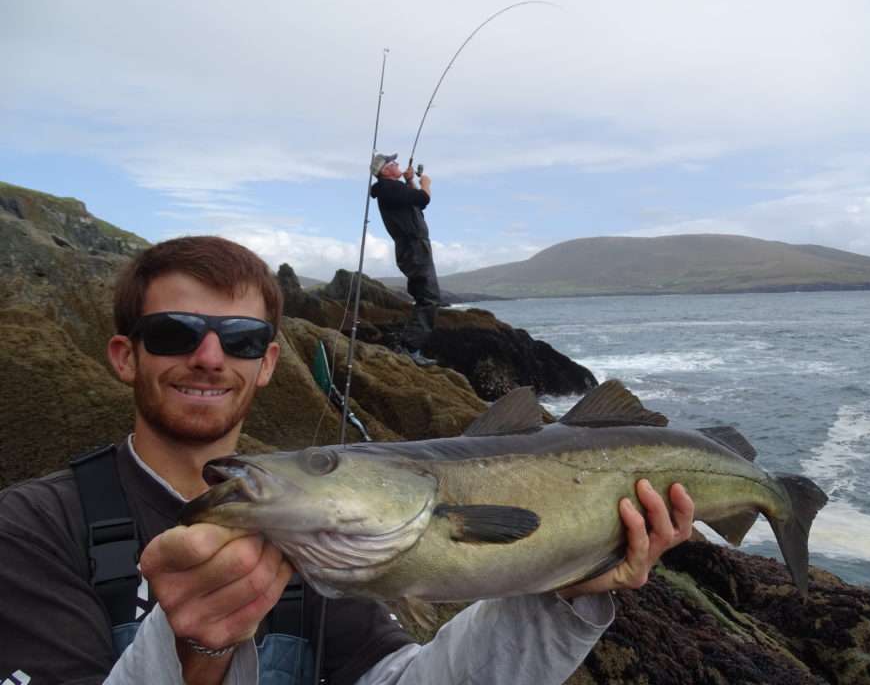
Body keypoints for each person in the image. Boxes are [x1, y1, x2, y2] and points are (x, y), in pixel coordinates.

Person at [0, 235, 695, 685]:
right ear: (124, 354)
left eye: (240, 340)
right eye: (176, 332)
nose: (209, 358)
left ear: (271, 362)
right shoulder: (32, 529)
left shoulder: (319, 534)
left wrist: (563, 596)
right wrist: (188, 656)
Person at [369, 153, 442, 367]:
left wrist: (410, 180)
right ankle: (410, 349)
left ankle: (410, 347)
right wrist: (425, 183)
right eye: (393, 163)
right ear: (384, 171)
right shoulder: (389, 189)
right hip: (413, 247)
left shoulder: (393, 189)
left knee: (425, 295)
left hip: (414, 247)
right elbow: (423, 199)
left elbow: (416, 204)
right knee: (428, 298)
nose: (398, 164)